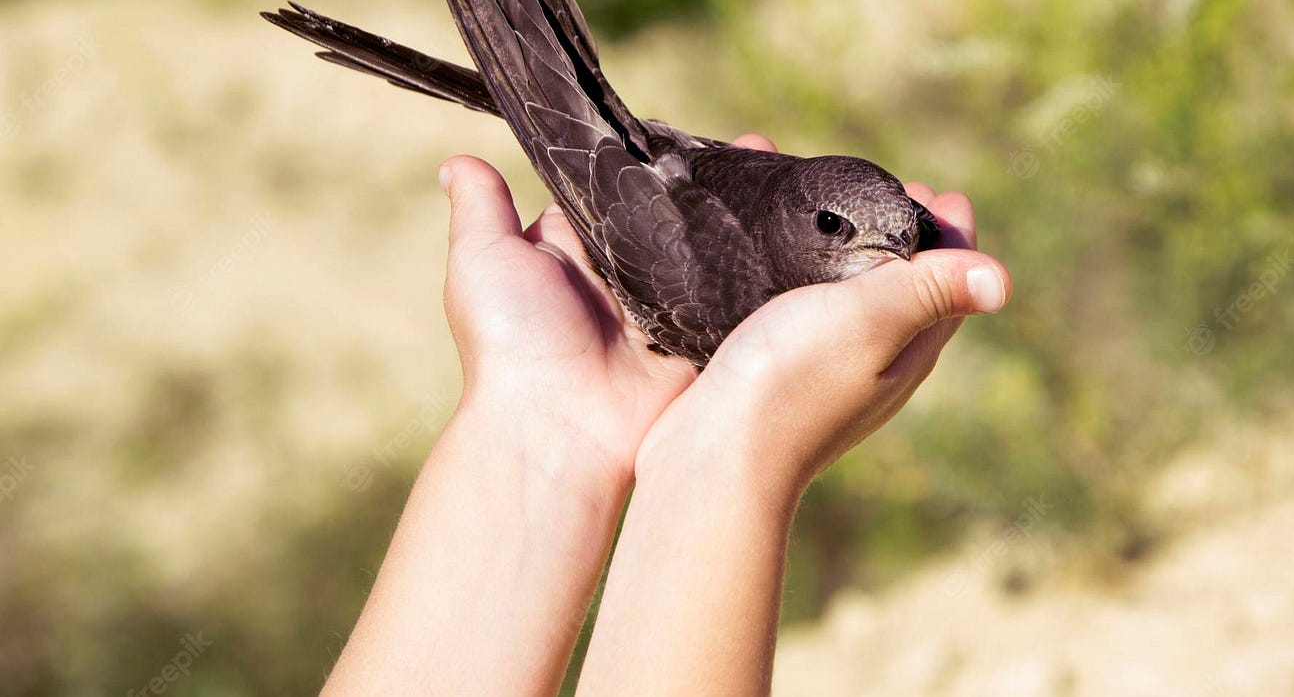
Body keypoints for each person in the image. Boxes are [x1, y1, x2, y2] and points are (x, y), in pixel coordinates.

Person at [319, 136, 1012, 697]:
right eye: (835, 228)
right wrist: (745, 452)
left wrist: (536, 420)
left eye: (907, 238)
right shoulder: (724, 295)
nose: (897, 256)